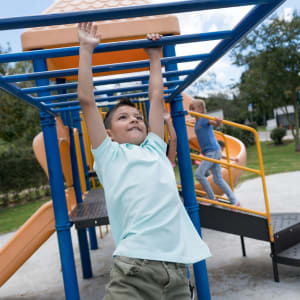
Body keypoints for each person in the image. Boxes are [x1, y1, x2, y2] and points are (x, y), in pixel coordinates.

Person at [77, 22, 210, 300]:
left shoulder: (154, 148)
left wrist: (154, 56)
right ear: (110, 133)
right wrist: (87, 49)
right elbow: (86, 100)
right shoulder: (109, 154)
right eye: (123, 117)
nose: (134, 119)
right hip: (133, 267)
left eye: (137, 116)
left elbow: (156, 97)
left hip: (176, 271)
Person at [189, 99, 240, 207]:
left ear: (201, 109)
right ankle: (235, 201)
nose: (191, 111)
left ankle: (212, 198)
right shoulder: (197, 122)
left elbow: (213, 123)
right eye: (190, 109)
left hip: (212, 151)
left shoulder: (204, 119)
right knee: (217, 179)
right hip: (212, 151)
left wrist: (217, 122)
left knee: (199, 174)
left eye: (193, 109)